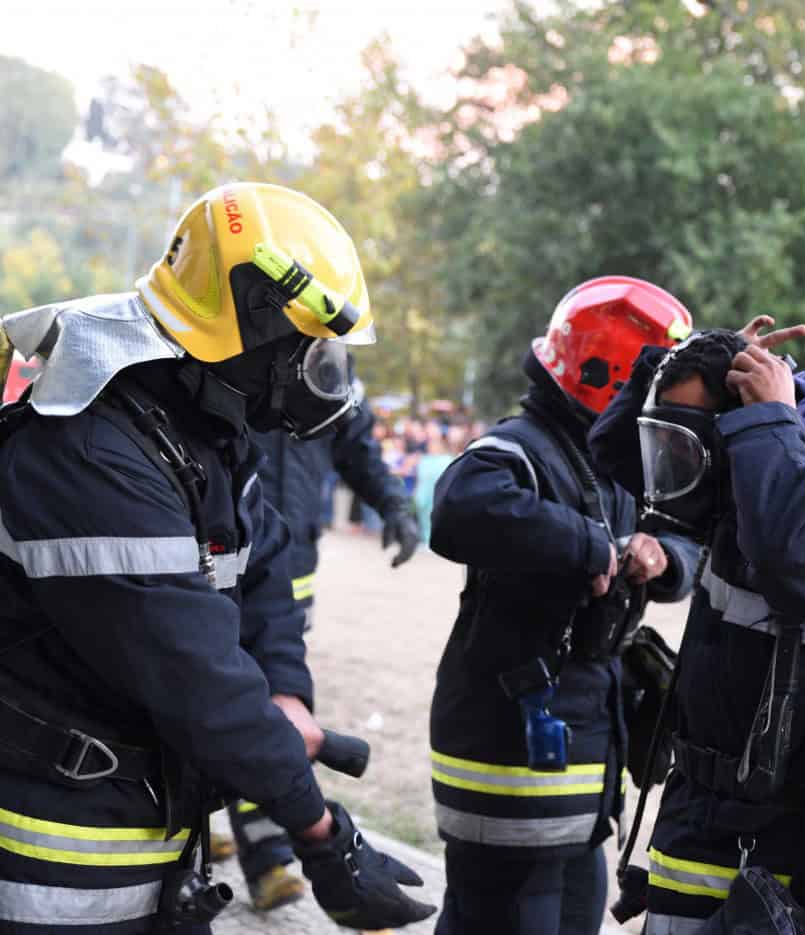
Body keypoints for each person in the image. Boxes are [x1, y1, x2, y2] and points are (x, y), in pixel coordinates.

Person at [0, 182, 434, 933]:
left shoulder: (204, 430)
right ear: (255, 328)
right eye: (311, 349)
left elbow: (262, 574)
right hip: (56, 863)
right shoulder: (90, 452)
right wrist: (322, 834)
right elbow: (196, 674)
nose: (320, 373)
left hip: (149, 836)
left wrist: (288, 693)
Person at [589, 319, 805, 934]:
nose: (670, 466)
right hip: (703, 831)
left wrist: (770, 423)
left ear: (741, 428)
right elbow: (622, 456)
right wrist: (671, 362)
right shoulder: (745, 466)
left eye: (686, 446)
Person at [427, 276, 701, 935]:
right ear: (607, 374)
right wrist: (595, 547)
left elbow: (682, 537)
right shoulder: (519, 447)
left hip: (575, 765)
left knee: (576, 914)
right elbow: (458, 509)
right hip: (508, 760)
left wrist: (662, 558)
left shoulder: (614, 460)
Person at [216, 372, 422, 911]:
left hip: (288, 567)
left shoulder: (329, 363)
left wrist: (395, 504)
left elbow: (356, 442)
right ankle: (266, 861)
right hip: (217, 553)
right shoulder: (240, 341)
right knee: (220, 692)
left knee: (265, 699)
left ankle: (250, 844)